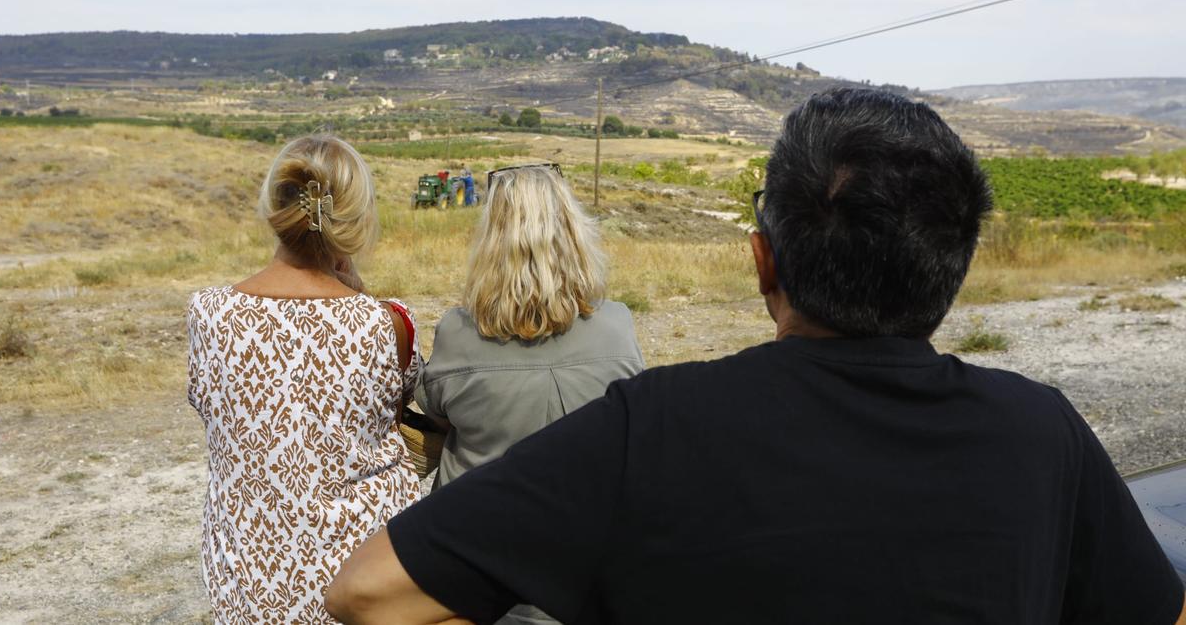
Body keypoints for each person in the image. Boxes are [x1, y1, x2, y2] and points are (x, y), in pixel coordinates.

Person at [325, 90, 1186, 625]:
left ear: (762, 260)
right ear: (952, 267)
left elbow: (366, 592)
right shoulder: (1045, 435)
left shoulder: (652, 426)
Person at [186, 135, 421, 622]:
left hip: (247, 576)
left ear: (275, 207)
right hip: (364, 580)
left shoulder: (209, 314)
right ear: (356, 217)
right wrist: (357, 293)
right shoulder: (386, 322)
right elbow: (394, 412)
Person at [415, 163, 644, 624]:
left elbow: (433, 407)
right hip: (586, 582)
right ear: (575, 234)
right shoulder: (618, 327)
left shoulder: (458, 334)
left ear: (489, 241)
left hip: (479, 585)